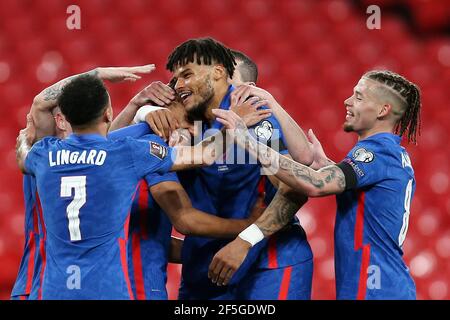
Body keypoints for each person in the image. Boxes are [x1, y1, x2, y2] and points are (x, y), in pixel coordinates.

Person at [14, 74, 255, 300]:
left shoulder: (42, 154)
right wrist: (235, 121)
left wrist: (24, 141)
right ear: (108, 113)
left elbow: (24, 155)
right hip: (106, 288)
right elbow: (206, 154)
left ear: (65, 117)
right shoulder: (129, 152)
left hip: (55, 288)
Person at [211, 70, 421, 300]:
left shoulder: (376, 152)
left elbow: (315, 185)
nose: (347, 101)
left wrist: (247, 141)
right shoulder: (389, 152)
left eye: (359, 97)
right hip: (381, 284)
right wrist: (272, 103)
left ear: (383, 110)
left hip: (376, 287)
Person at [149, 37, 314, 300]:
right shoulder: (171, 123)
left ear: (218, 74)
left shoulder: (253, 115)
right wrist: (141, 108)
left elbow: (293, 190)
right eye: (176, 79)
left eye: (187, 75)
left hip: (267, 266)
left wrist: (247, 238)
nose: (179, 85)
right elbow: (183, 218)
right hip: (205, 271)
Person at [11, 65, 153, 300]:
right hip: (39, 282)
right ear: (59, 120)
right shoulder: (45, 151)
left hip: (50, 284)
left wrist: (134, 107)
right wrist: (96, 75)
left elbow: (104, 146)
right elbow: (40, 103)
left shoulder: (47, 156)